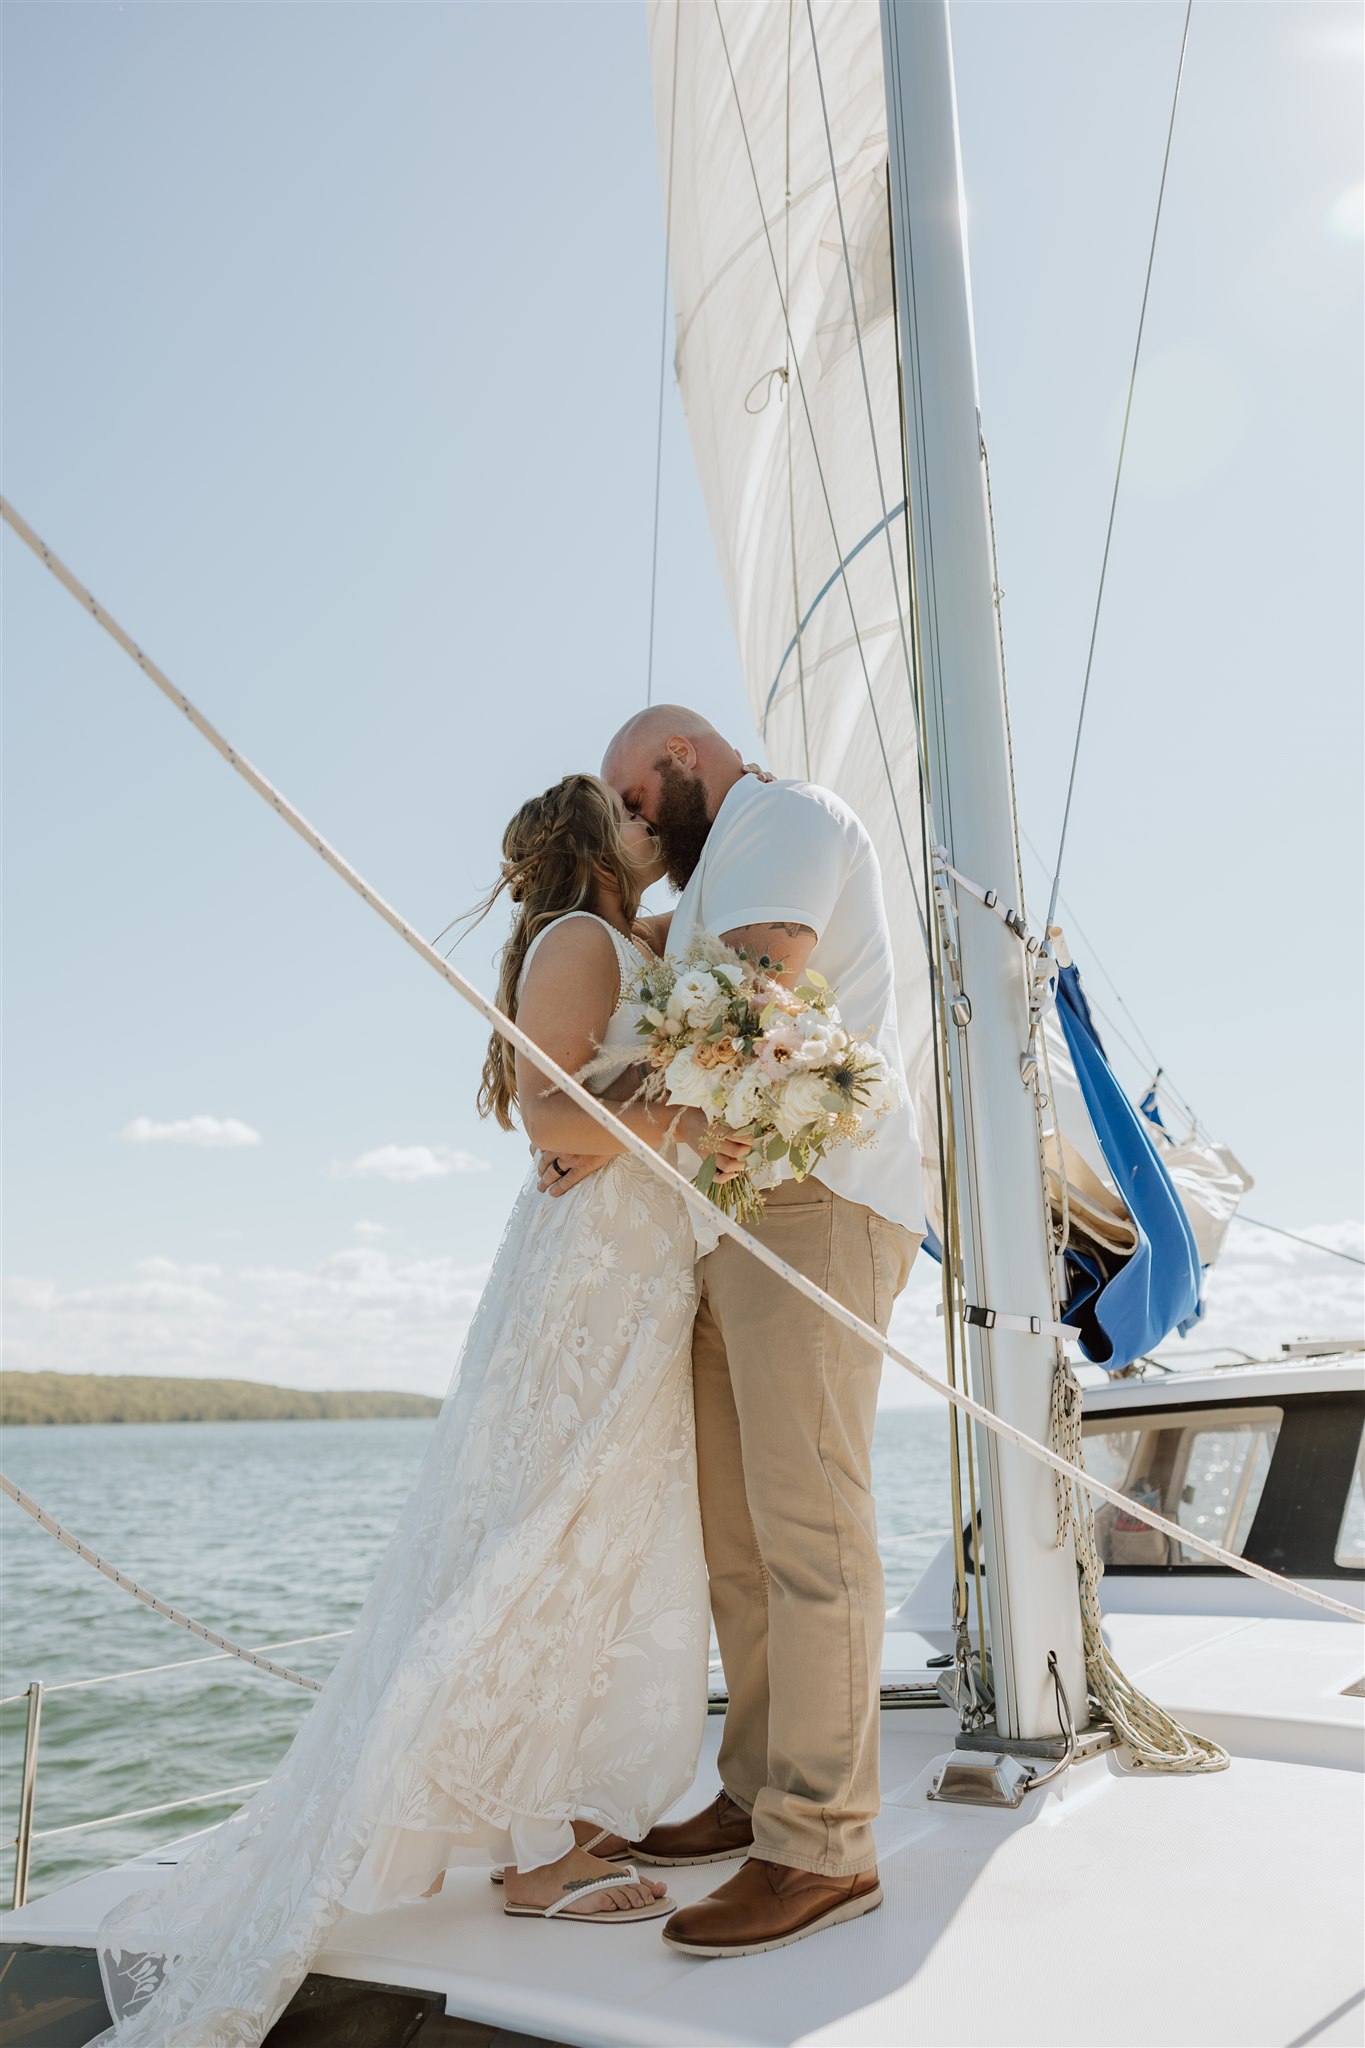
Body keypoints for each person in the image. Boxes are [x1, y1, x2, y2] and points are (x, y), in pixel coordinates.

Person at [93, 772, 752, 2045]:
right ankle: (540, 1851)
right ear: (586, 843)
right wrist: (681, 1111)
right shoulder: (576, 940)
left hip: (634, 1263)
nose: (645, 822)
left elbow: (706, 962)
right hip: (593, 1270)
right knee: (553, 1531)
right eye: (625, 813)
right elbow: (547, 1115)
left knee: (603, 1532)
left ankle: (547, 1818)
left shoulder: (634, 939)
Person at [543, 708, 925, 1959]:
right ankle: (758, 1790)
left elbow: (749, 1012)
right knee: (740, 1540)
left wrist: (599, 1121)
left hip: (818, 1203)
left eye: (635, 797)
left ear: (684, 761)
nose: (633, 823)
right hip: (729, 1223)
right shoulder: (716, 873)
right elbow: (622, 961)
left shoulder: (784, 820)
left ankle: (822, 1848)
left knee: (810, 1527)